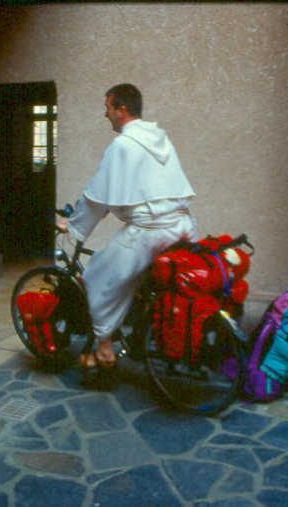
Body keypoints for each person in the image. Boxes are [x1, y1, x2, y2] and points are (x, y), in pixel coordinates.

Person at [58, 84, 197, 371]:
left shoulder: (122, 145)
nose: (105, 114)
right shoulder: (160, 139)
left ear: (122, 110)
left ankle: (105, 348)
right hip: (182, 226)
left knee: (98, 275)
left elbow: (95, 199)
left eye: (108, 107)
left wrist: (71, 226)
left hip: (150, 233)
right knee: (134, 279)